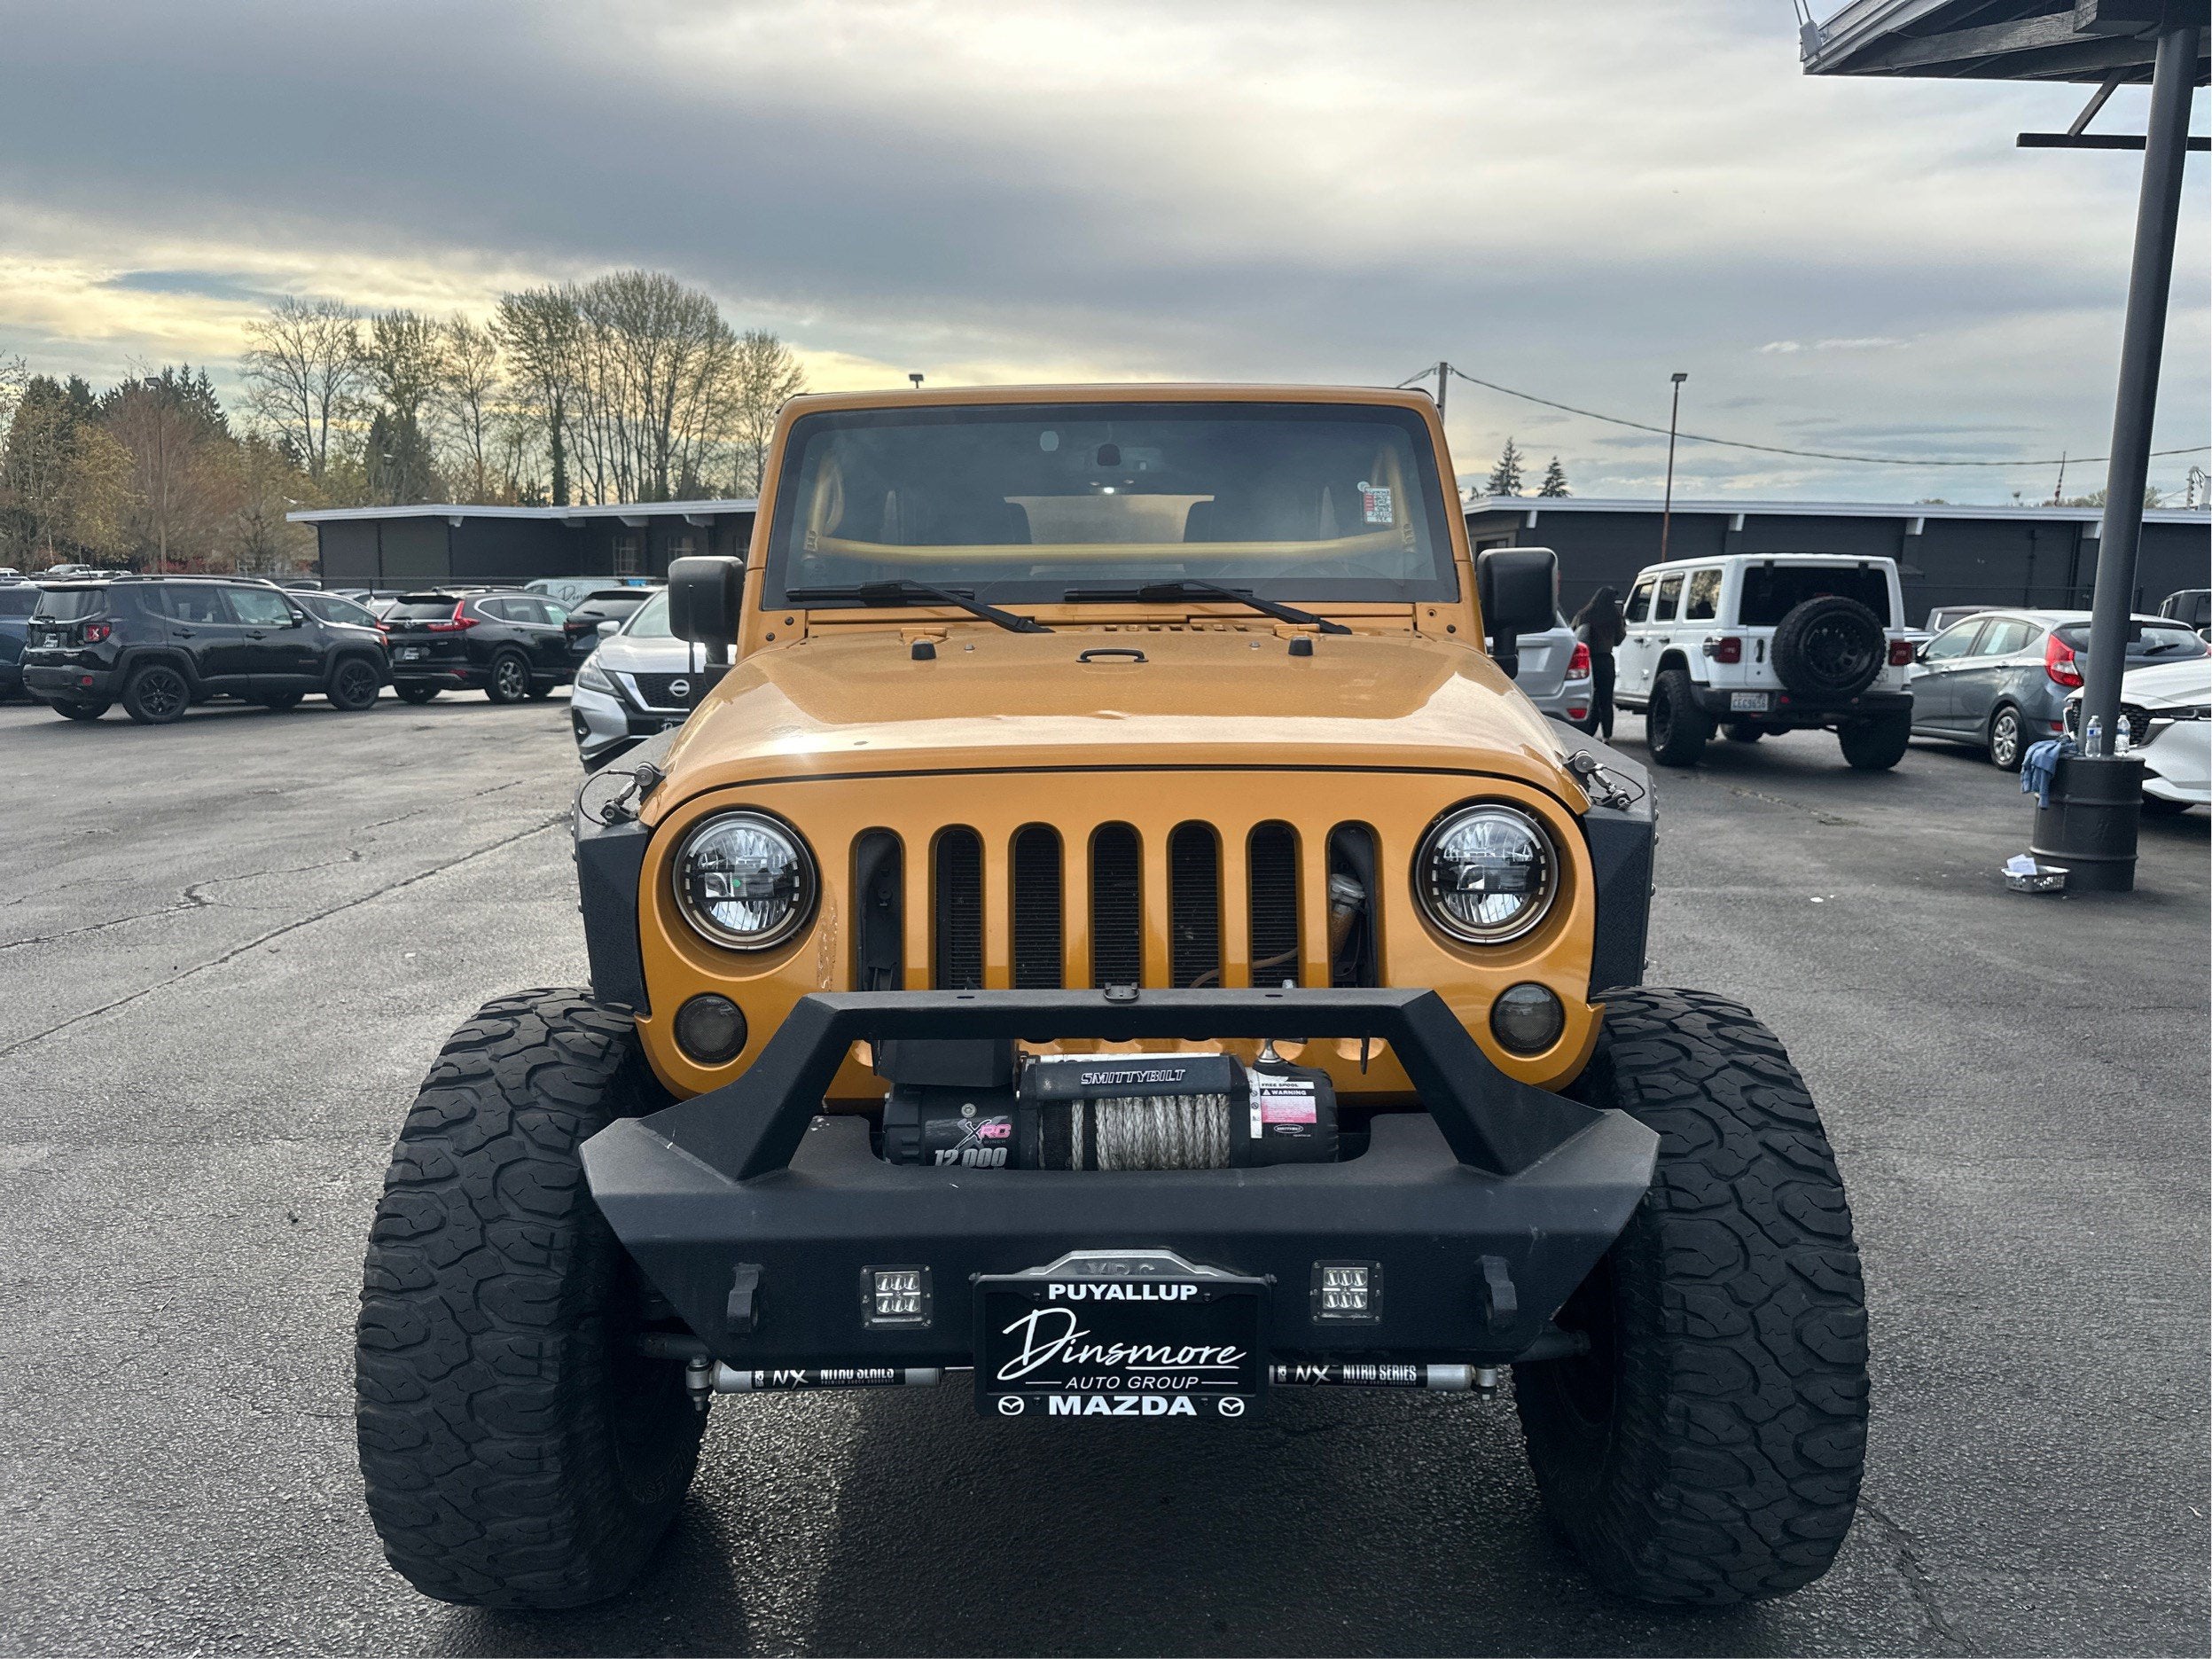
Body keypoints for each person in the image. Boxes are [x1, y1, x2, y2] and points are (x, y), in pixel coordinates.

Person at [1572, 585, 1625, 741]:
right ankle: (1607, 736)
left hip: (1587, 660)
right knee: (1606, 701)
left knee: (1587, 697)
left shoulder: (1584, 614)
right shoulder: (1615, 617)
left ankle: (1585, 732)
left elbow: (1574, 634)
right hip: (1606, 661)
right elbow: (1619, 639)